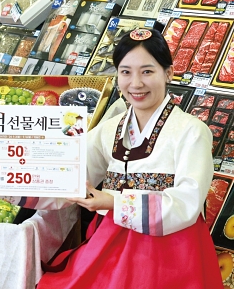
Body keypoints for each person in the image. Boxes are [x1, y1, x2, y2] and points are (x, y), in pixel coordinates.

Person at [26, 28, 221, 288]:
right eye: (126, 72)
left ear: (169, 73)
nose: (136, 83)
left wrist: (114, 202)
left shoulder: (191, 131)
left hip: (171, 254)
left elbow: (187, 203)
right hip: (112, 242)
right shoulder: (110, 129)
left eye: (147, 71)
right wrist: (4, 183)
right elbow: (70, 176)